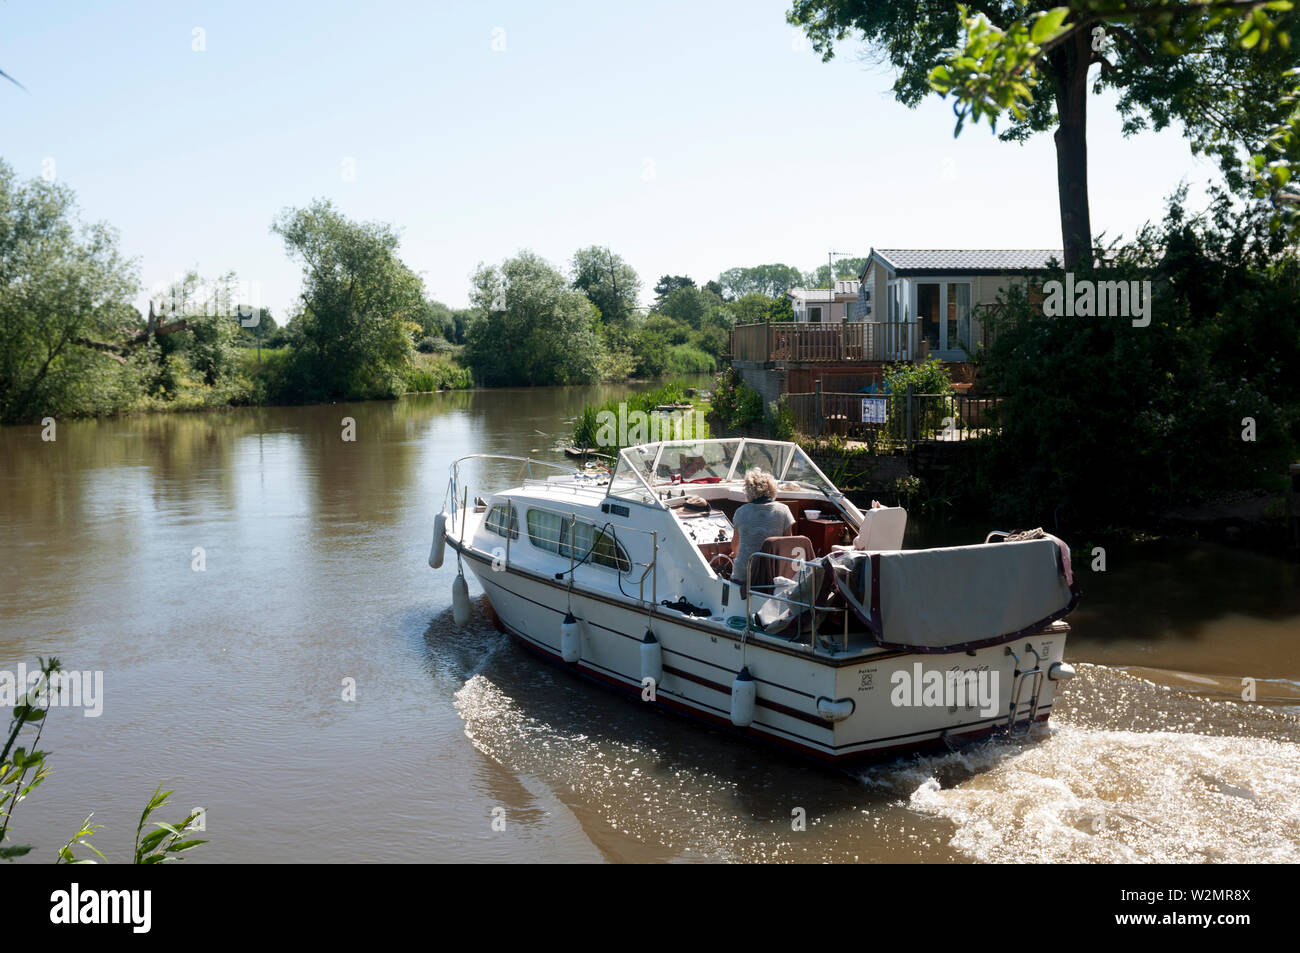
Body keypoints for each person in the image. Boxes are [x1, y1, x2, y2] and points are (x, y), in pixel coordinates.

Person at [730, 469, 795, 589]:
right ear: (772, 489)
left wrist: (736, 553)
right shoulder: (784, 510)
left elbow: (735, 545)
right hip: (772, 576)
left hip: (744, 576)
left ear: (748, 491)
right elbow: (788, 545)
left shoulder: (740, 512)